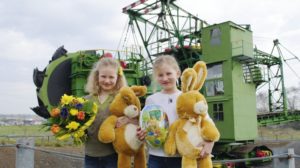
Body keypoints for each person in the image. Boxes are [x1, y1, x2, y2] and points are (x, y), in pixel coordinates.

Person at [144, 55, 215, 168]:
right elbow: (147, 125)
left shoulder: (188, 97)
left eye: (168, 74)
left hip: (182, 157)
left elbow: (206, 120)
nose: (165, 78)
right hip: (156, 156)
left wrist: (210, 143)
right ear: (156, 77)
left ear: (177, 73)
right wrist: (142, 133)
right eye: (160, 75)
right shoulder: (151, 99)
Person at [83, 54, 127, 168]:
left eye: (111, 77)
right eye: (103, 76)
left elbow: (135, 119)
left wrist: (127, 120)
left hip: (112, 155)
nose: (107, 81)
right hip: (90, 155)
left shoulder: (121, 99)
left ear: (118, 78)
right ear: (97, 77)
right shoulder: (86, 100)